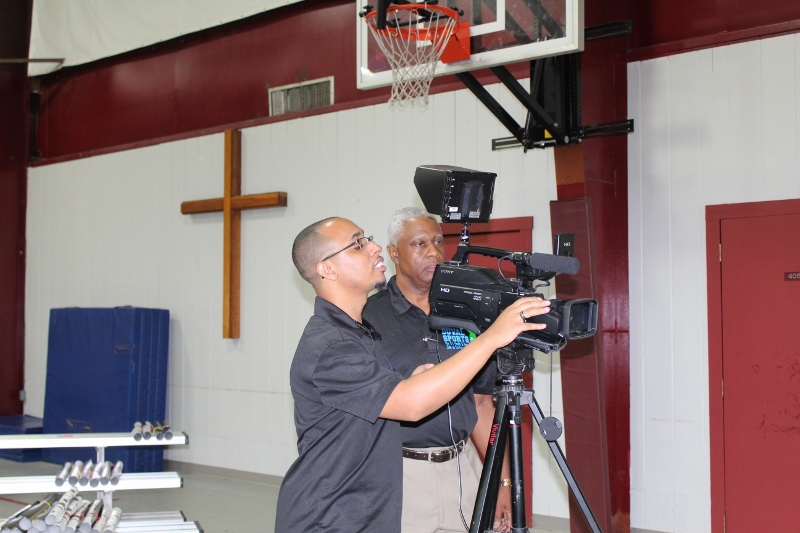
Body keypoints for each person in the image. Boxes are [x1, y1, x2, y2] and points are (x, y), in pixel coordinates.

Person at [275, 217, 551, 533]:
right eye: (358, 244)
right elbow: (411, 406)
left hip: (368, 507)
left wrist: (412, 382)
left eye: (368, 238)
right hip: (332, 518)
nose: (374, 248)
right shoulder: (330, 346)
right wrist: (493, 337)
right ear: (327, 269)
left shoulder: (357, 333)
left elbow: (397, 398)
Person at [363, 207, 513, 533]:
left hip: (464, 469)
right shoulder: (368, 318)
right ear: (394, 253)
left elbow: (481, 404)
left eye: (437, 242)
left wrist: (503, 482)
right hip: (402, 475)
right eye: (419, 244)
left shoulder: (464, 314)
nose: (433, 251)